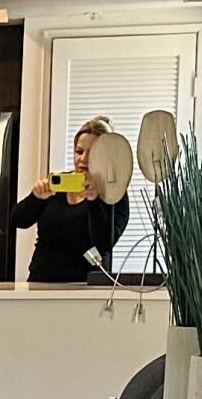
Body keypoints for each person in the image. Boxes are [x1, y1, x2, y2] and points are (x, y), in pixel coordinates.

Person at [10, 118, 128, 284]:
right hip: (42, 284)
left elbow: (105, 242)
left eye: (92, 152)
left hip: (88, 288)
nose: (83, 159)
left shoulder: (114, 193)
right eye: (79, 152)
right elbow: (17, 220)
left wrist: (94, 200)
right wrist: (35, 198)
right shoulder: (58, 183)